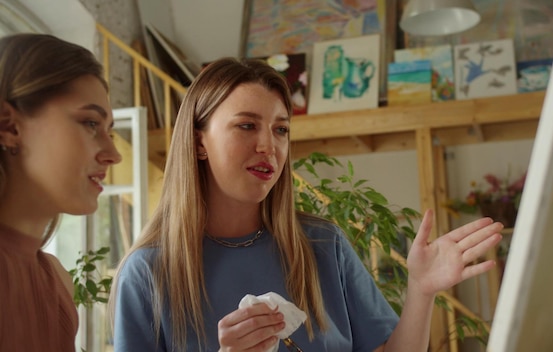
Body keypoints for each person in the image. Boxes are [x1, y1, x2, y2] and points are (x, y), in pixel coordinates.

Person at [111, 57, 502, 352]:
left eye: (280, 129)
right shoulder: (146, 274)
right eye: (247, 125)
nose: (269, 145)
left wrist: (421, 289)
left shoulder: (323, 244)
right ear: (198, 142)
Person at [0, 33, 122, 351]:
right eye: (90, 123)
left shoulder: (56, 280)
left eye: (110, 131)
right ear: (9, 127)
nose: (113, 154)